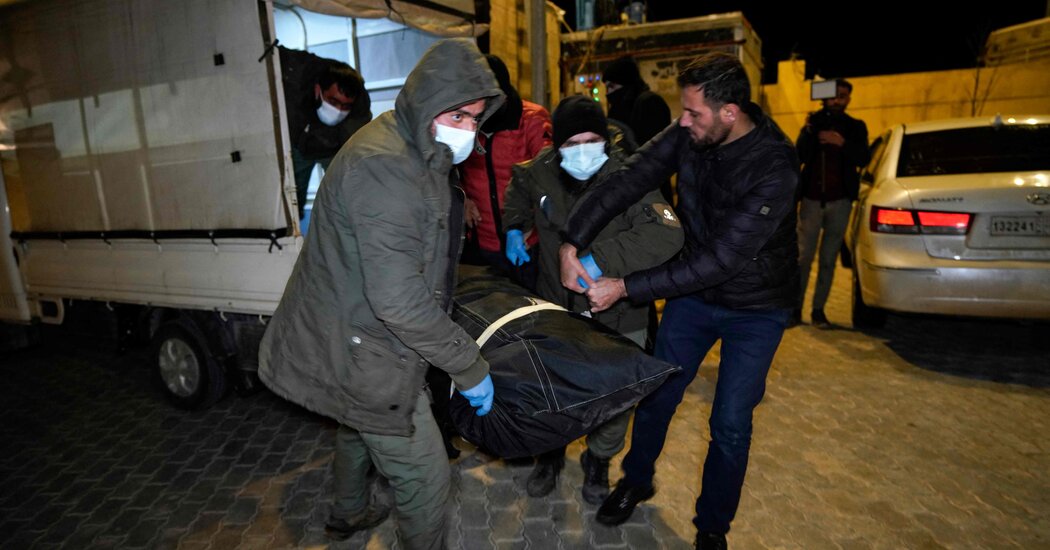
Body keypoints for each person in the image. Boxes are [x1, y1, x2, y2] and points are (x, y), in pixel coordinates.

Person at [258, 39, 504, 550]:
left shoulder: (416, 149)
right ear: (427, 100)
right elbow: (398, 302)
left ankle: (348, 512)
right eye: (457, 114)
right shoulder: (387, 166)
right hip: (364, 342)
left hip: (354, 327)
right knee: (426, 480)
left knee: (357, 423)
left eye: (476, 119)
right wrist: (469, 366)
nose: (467, 130)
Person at [558, 52, 800, 550]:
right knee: (658, 393)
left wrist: (625, 287)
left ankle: (712, 528)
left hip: (755, 307)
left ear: (730, 112)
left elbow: (722, 260)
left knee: (730, 424)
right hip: (695, 294)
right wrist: (569, 241)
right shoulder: (688, 135)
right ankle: (637, 478)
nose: (682, 121)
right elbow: (628, 180)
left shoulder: (775, 165)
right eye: (682, 111)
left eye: (693, 113)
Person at [501, 95, 683, 503]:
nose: (583, 150)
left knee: (618, 397)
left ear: (605, 139)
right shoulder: (541, 170)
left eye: (592, 140)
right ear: (555, 143)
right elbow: (518, 185)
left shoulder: (628, 176)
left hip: (618, 309)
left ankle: (599, 460)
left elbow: (667, 232)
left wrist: (597, 261)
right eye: (572, 143)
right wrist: (515, 225)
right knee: (552, 389)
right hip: (556, 304)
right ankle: (549, 455)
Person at [460, 54, 552, 289]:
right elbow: (446, 167)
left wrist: (528, 229)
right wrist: (461, 197)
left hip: (528, 245)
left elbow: (549, 180)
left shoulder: (532, 121)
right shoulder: (465, 124)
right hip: (482, 246)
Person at [793, 79, 869, 327]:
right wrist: (807, 130)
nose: (837, 101)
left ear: (849, 99)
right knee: (803, 258)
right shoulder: (813, 124)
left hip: (840, 201)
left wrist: (842, 143)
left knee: (828, 258)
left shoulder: (855, 127)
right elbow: (799, 156)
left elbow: (863, 157)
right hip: (812, 200)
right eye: (833, 96)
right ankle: (795, 310)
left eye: (843, 96)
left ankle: (818, 311)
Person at [278, 46, 372, 220]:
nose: (338, 110)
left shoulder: (359, 111)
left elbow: (354, 156)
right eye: (333, 101)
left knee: (352, 190)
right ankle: (291, 228)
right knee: (290, 199)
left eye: (345, 106)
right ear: (317, 90)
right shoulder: (296, 76)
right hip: (298, 142)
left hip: (334, 145)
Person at [602, 55, 673, 203]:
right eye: (607, 87)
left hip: (652, 195)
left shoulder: (649, 104)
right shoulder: (621, 110)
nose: (608, 93)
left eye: (612, 87)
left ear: (626, 84)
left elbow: (655, 156)